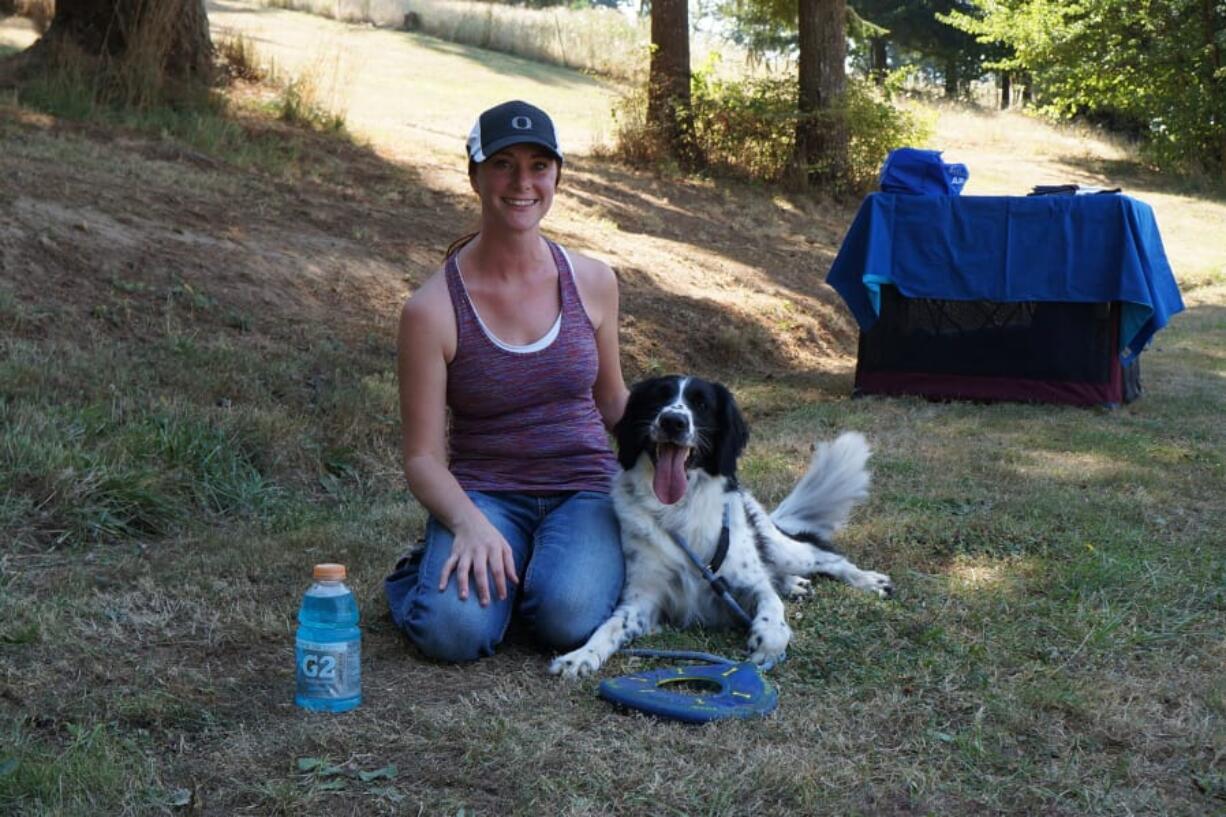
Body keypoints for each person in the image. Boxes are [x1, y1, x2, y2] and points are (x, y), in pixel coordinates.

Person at [385, 100, 629, 663]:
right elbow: (423, 458)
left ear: (558, 175)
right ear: (473, 174)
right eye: (503, 164)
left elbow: (614, 401)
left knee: (566, 616)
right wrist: (468, 523)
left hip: (584, 486)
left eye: (539, 166)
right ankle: (427, 573)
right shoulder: (432, 309)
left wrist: (673, 451)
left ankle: (529, 578)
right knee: (453, 634)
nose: (523, 183)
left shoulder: (593, 281)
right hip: (486, 493)